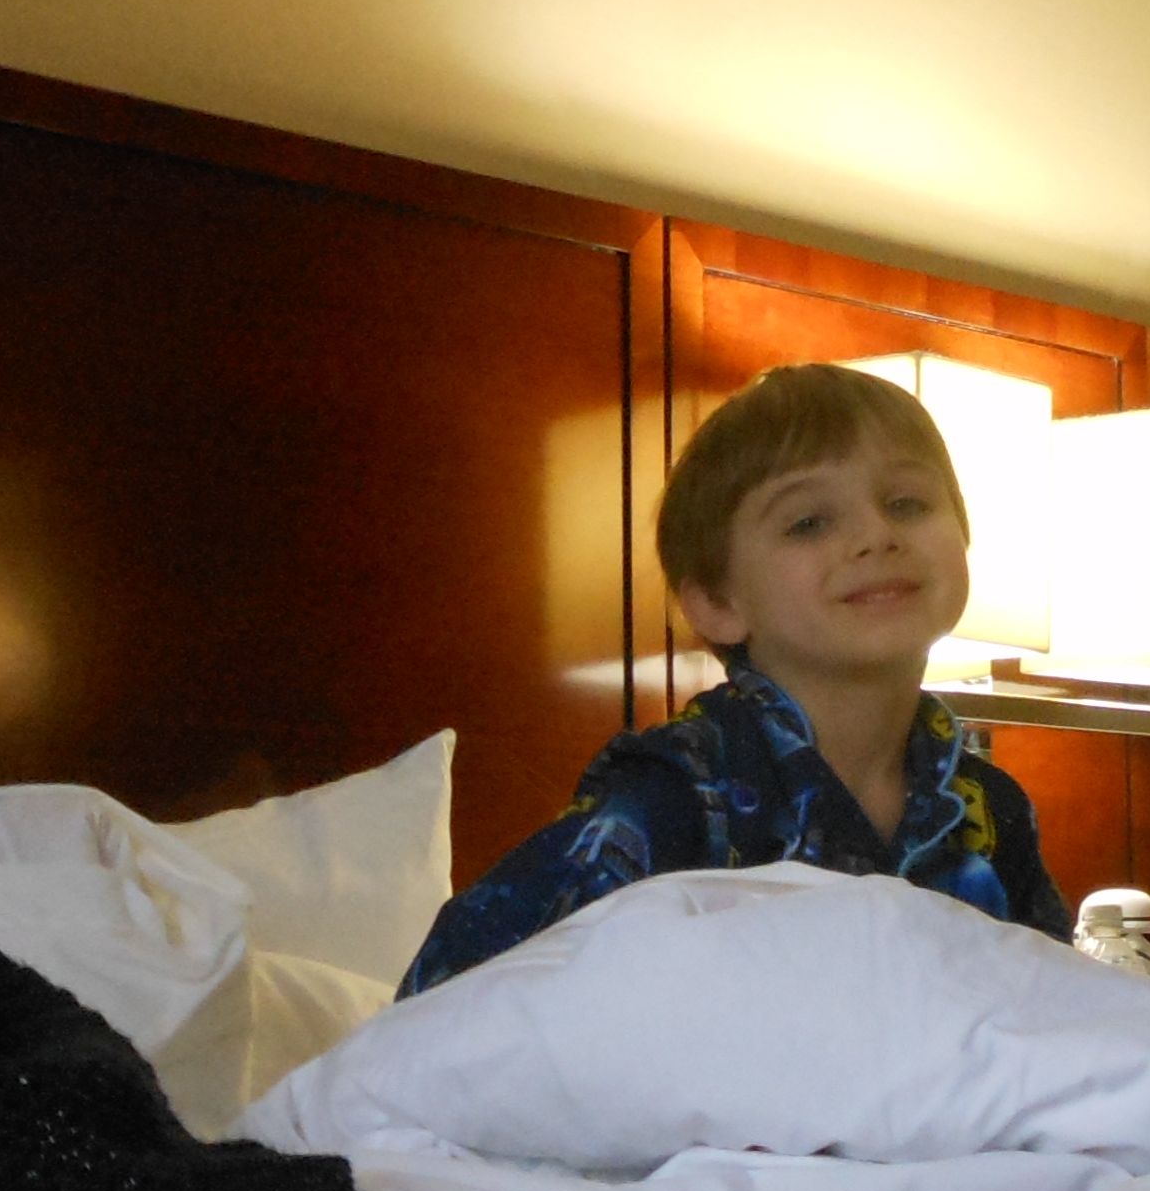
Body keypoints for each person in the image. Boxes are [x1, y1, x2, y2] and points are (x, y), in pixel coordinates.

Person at [398, 362, 1070, 992]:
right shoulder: (677, 796)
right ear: (717, 603)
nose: (877, 534)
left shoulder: (991, 809)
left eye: (907, 503)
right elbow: (446, 1002)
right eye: (808, 523)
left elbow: (1059, 1017)